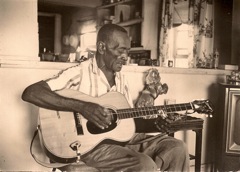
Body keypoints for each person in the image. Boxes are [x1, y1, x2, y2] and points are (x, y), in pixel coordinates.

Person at [22, 24, 189, 171]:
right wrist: (83, 107)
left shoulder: (122, 78)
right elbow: (31, 92)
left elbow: (126, 123)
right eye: (120, 50)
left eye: (128, 52)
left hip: (120, 141)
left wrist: (155, 124)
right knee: (143, 164)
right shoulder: (79, 73)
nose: (125, 57)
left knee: (176, 147)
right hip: (90, 146)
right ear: (102, 47)